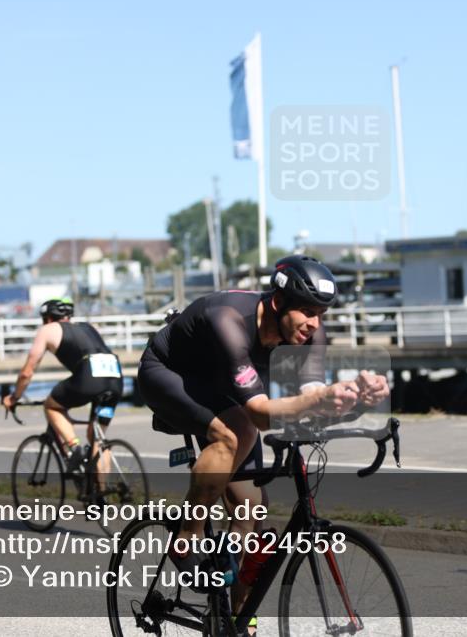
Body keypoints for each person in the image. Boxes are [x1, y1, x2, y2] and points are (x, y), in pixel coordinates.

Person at [137, 255, 390, 609]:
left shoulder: (308, 334)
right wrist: (319, 398)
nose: (314, 323)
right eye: (306, 311)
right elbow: (259, 413)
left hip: (226, 386)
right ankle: (187, 538)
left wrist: (355, 399)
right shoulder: (228, 320)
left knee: (250, 510)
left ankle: (234, 619)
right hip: (171, 373)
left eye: (321, 314)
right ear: (277, 302)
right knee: (235, 432)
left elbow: (307, 399)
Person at [2, 298, 124, 473]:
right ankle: (101, 496)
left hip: (89, 376)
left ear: (48, 317)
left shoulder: (48, 329)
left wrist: (14, 397)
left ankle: (75, 448)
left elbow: (27, 372)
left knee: (51, 406)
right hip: (115, 376)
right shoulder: (87, 327)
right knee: (97, 439)